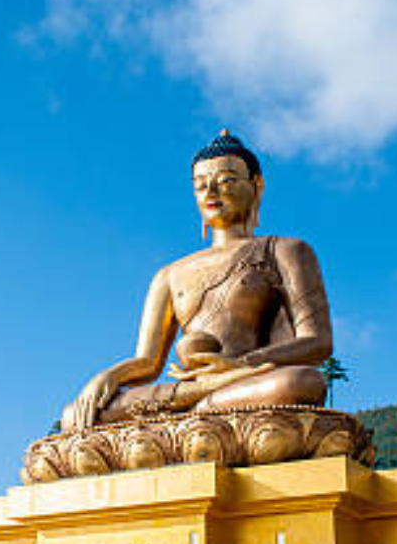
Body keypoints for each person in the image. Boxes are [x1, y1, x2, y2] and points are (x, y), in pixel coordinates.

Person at [62, 131, 334, 430]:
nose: (211, 192)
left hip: (249, 381)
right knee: (76, 415)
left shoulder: (285, 250)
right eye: (201, 185)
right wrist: (109, 377)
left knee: (301, 383)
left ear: (257, 185)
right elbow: (148, 362)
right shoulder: (169, 274)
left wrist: (240, 365)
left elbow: (318, 342)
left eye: (226, 180)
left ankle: (190, 414)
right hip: (197, 388)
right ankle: (199, 406)